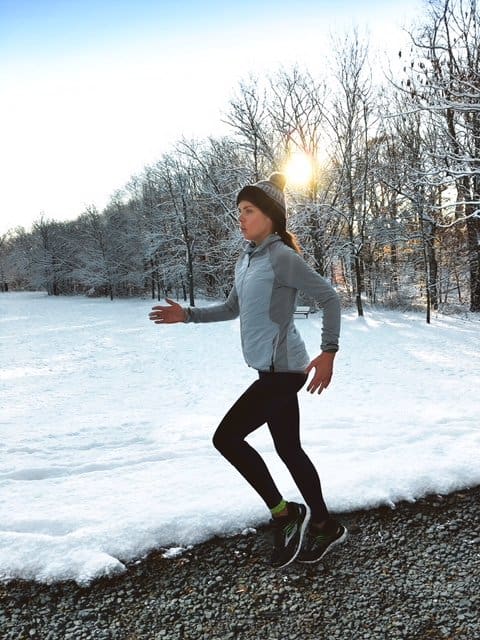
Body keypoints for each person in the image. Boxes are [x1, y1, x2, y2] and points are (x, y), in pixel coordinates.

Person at [149, 172, 347, 568]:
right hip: (267, 371)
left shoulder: (281, 257)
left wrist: (328, 352)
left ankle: (285, 514)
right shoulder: (247, 260)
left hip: (286, 370)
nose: (240, 217)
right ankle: (323, 524)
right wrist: (185, 315)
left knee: (226, 438)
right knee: (289, 449)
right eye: (239, 210)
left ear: (269, 215)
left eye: (249, 210)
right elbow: (230, 309)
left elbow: (329, 297)